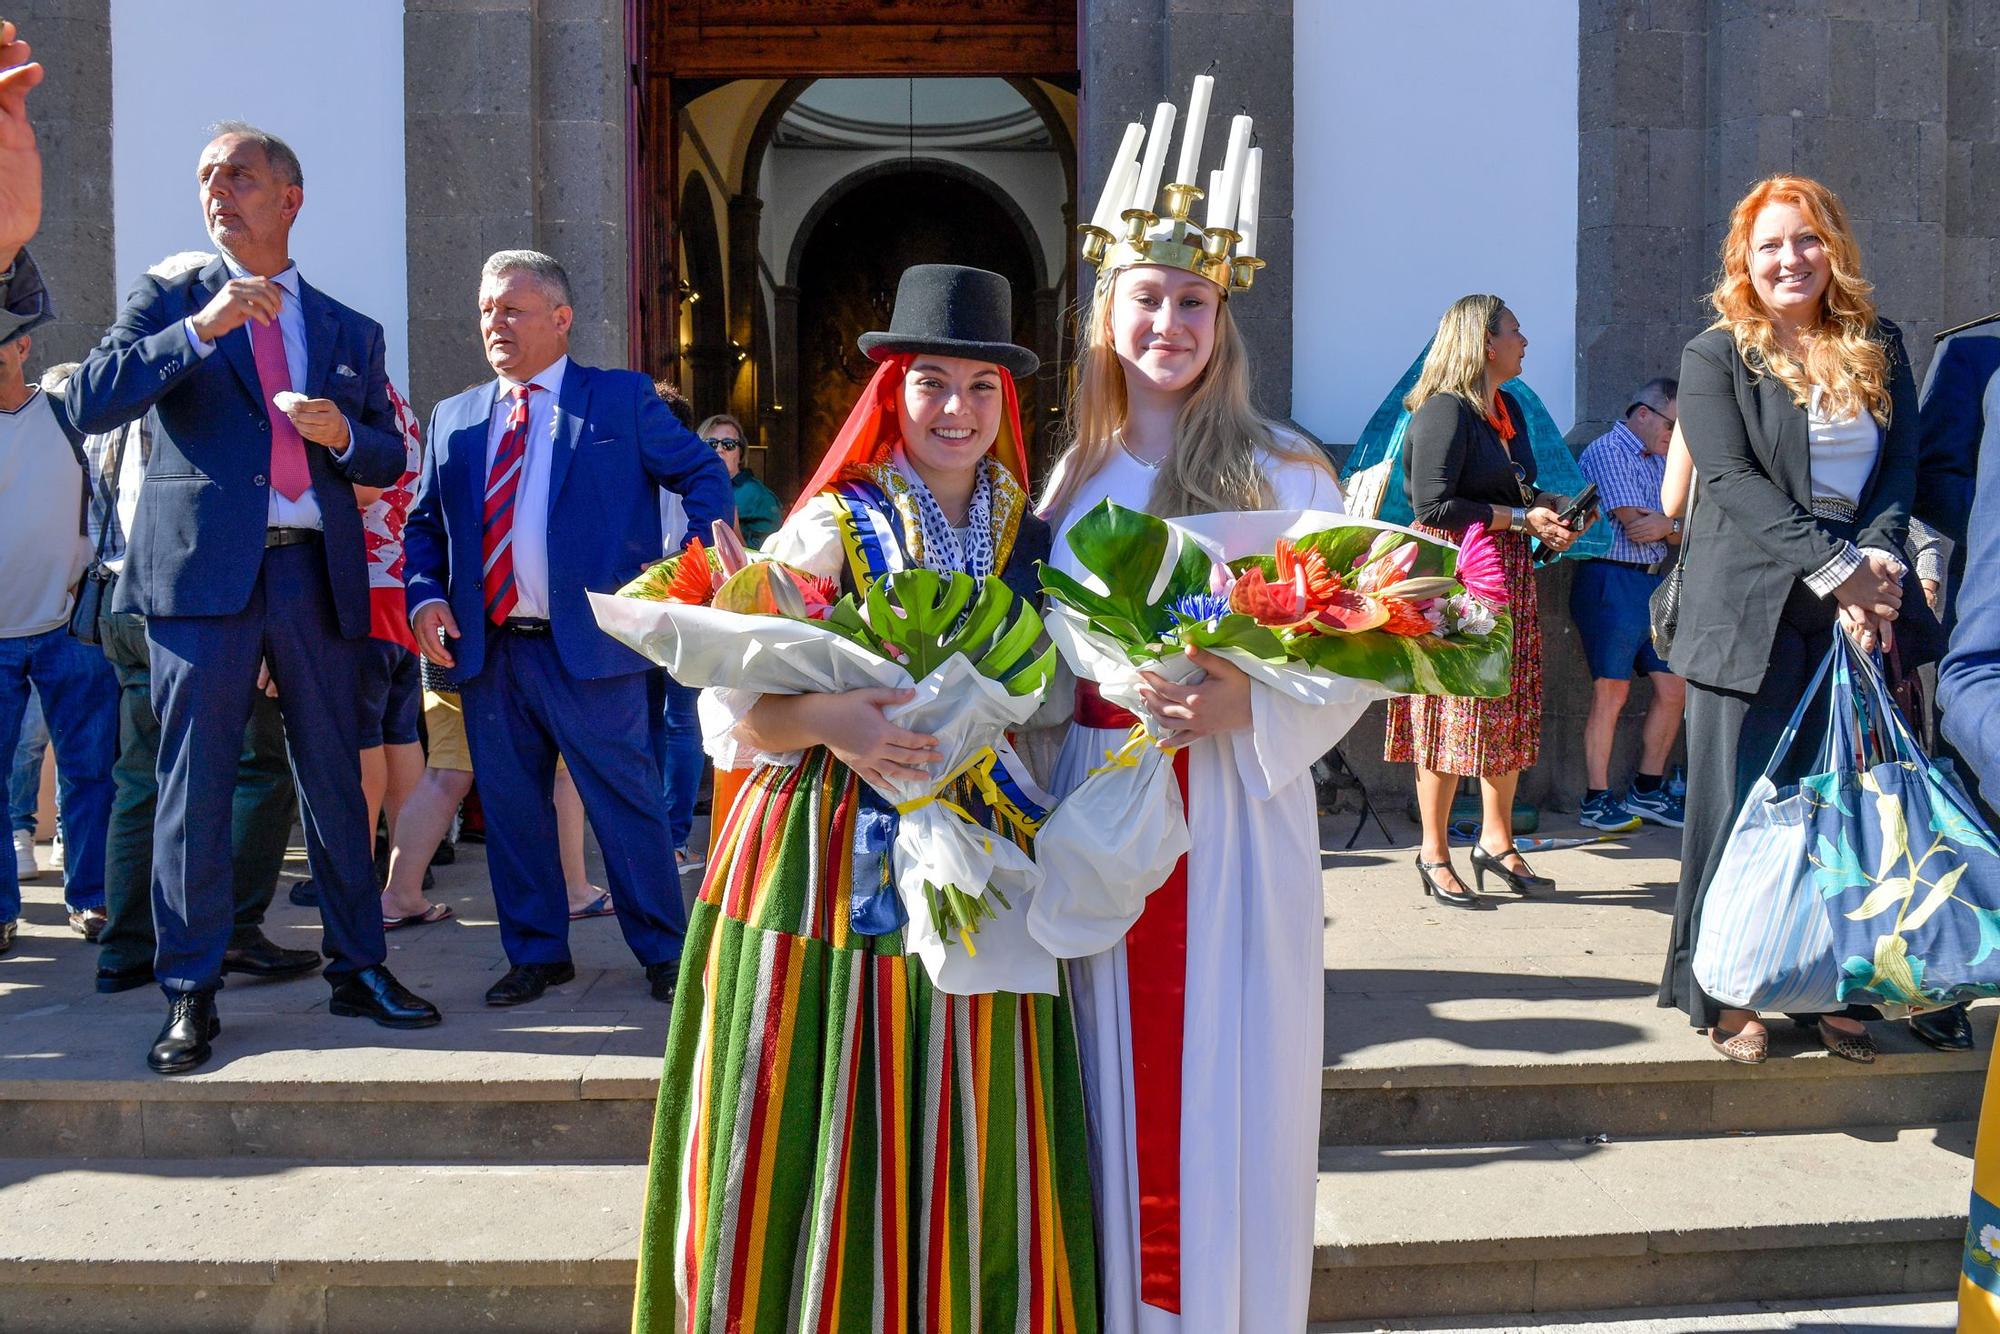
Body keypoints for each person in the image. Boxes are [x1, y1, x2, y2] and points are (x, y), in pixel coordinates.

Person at [632, 264, 1097, 1330]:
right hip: (823, 854)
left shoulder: (1032, 534)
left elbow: (1056, 691)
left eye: (981, 389)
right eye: (932, 383)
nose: (956, 410)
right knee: (827, 1080)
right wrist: (835, 721)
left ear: (1006, 404)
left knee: (963, 1085)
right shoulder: (834, 527)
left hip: (978, 838)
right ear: (891, 392)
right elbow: (741, 712)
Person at [1038, 227, 1374, 1324]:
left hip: (1234, 798)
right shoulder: (1069, 475)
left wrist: (1255, 697)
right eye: (1145, 299)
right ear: (1106, 315)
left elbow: (1365, 643)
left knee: (1236, 1066)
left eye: (1192, 302)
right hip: (1102, 787)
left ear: (1222, 321)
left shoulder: (1283, 465)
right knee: (1105, 1073)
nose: (1167, 326)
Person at [67, 121, 440, 1073]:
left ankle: (359, 967)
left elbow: (391, 454)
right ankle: (190, 990)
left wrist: (344, 439)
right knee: (192, 783)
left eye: (239, 174)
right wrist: (201, 332)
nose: (217, 189)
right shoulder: (169, 301)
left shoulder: (349, 327)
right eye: (205, 176)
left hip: (315, 572)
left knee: (334, 779)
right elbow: (94, 399)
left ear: (289, 198)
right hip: (200, 577)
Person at [402, 249, 732, 1008]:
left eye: (512, 309)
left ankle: (664, 952)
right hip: (491, 653)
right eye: (486, 309)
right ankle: (537, 954)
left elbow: (700, 474)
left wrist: (694, 563)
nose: (495, 323)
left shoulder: (618, 400)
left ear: (560, 318)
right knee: (514, 813)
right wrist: (424, 597)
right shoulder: (455, 416)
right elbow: (424, 526)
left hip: (596, 650)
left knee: (628, 806)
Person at [1659, 174, 1919, 1066]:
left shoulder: (1878, 345)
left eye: (1805, 240)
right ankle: (1730, 991)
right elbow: (1728, 483)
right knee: (1738, 810)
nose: (1789, 259)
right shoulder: (1715, 356)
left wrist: (1878, 561)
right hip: (1748, 612)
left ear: (1833, 248)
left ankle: (1833, 985)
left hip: (1853, 611)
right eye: (1769, 245)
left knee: (1838, 810)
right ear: (1744, 261)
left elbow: (1899, 474)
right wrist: (1841, 570)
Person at [1385, 295, 1586, 909]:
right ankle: (1433, 852)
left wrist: (1553, 508)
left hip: (1508, 575)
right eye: (1516, 332)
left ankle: (1496, 844)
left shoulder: (1507, 409)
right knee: (1450, 710)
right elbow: (1433, 507)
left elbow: (1515, 488)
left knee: (1507, 705)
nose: (1525, 342)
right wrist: (1523, 518)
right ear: (1484, 343)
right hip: (1458, 583)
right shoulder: (1445, 411)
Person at [0, 324, 117, 956]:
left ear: (23, 348)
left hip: (67, 625)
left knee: (90, 769)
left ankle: (91, 897)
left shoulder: (67, 416)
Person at [1572, 378, 1688, 831]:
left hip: (1652, 586)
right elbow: (1638, 523)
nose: (1674, 436)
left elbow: (1685, 527)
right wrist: (1668, 524)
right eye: (1670, 424)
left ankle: (1647, 790)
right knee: (1612, 691)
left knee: (1674, 688)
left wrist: (1669, 524)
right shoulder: (1608, 450)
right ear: (1642, 412)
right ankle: (1596, 798)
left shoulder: (1664, 460)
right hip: (1610, 579)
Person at [700, 411, 781, 545]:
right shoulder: (688, 490)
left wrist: (733, 526)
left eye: (728, 444)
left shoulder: (760, 497)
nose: (719, 449)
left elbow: (765, 558)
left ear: (741, 453)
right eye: (711, 444)